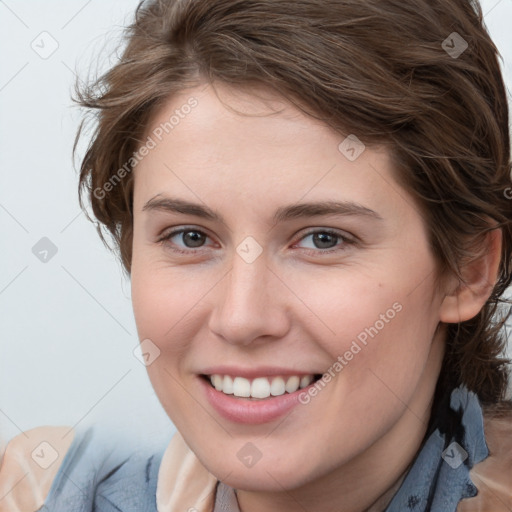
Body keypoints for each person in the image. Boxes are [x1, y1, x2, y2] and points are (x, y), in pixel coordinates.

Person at [1, 0, 511, 510]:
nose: (241, 319)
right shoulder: (42, 493)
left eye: (322, 239)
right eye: (191, 237)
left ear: (468, 269)